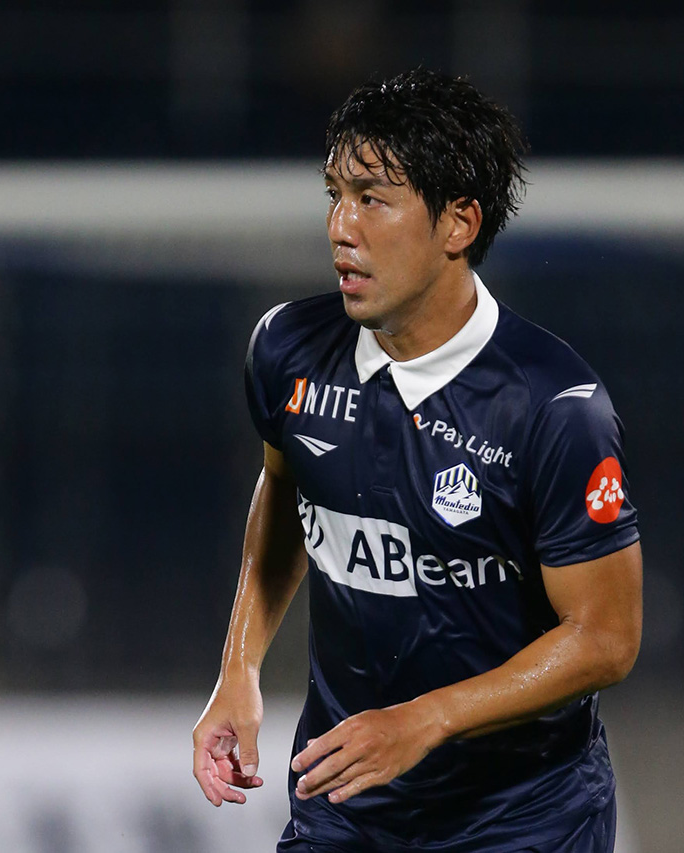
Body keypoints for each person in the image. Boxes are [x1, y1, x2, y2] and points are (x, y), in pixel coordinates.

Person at [193, 68, 643, 853]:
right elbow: (288, 487)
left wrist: (425, 719)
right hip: (348, 806)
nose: (341, 226)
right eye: (335, 194)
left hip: (523, 818)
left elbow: (606, 637)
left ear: (458, 222)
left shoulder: (554, 407)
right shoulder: (288, 351)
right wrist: (240, 669)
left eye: (372, 198)